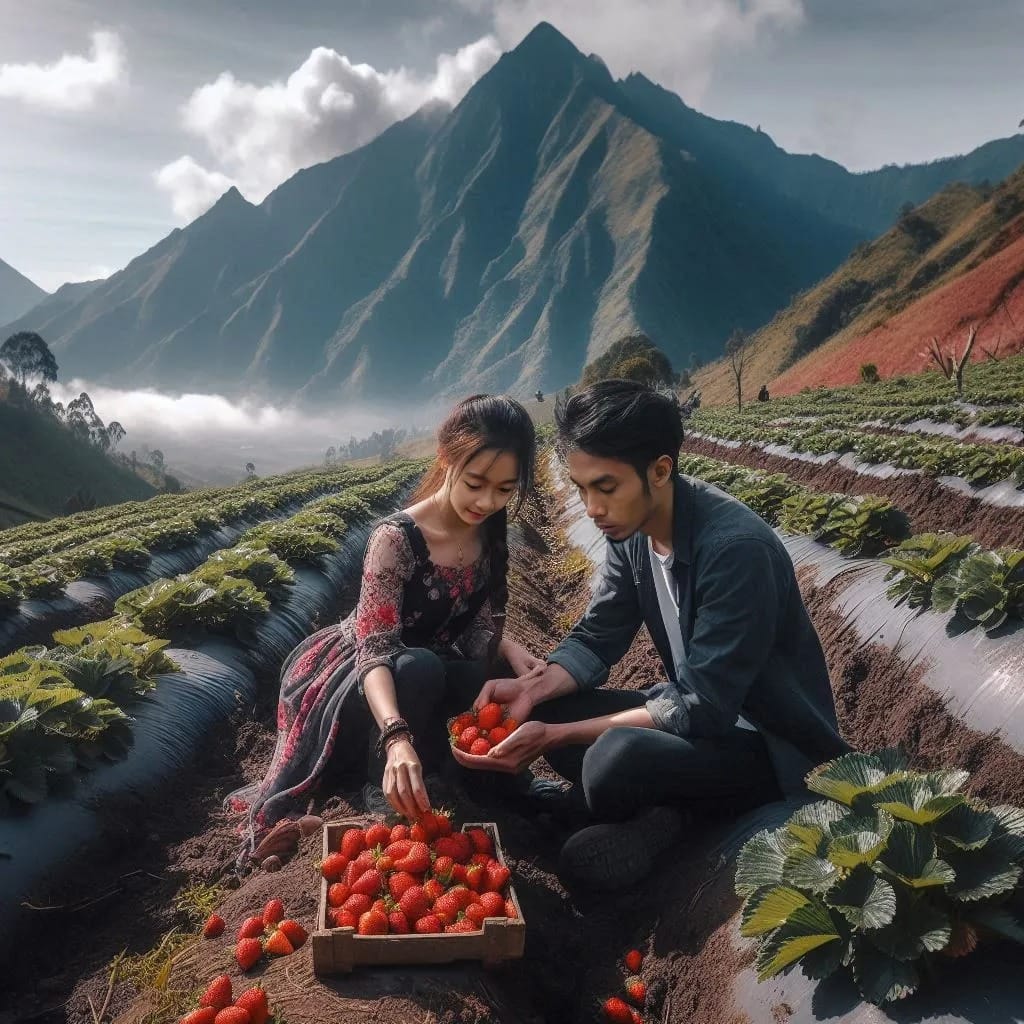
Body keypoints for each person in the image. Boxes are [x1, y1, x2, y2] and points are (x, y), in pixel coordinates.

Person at [453, 380, 848, 890]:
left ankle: (667, 822)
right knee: (546, 708)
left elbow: (704, 705)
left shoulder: (735, 550)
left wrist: (558, 738)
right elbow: (599, 635)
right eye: (581, 489)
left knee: (615, 758)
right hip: (695, 723)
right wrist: (530, 690)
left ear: (660, 470)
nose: (592, 507)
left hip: (767, 748)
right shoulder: (633, 532)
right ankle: (656, 810)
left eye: (606, 487)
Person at [228, 395, 542, 866]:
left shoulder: (488, 536)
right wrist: (396, 738)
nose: (486, 501)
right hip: (363, 686)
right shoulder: (395, 539)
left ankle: (491, 780)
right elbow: (375, 651)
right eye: (476, 483)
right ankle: (382, 792)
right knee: (419, 666)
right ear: (446, 458)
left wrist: (513, 654)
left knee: (475, 678)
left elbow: (474, 622)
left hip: (422, 675)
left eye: (503, 489)